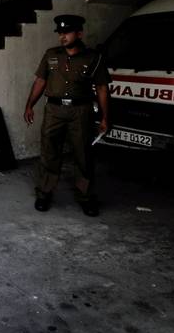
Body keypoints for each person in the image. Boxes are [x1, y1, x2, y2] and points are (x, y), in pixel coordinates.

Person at [23, 14, 110, 217]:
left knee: (83, 154)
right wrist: (29, 105)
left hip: (81, 111)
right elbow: (40, 82)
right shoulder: (51, 55)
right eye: (60, 33)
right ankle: (45, 193)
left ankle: (86, 196)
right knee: (49, 152)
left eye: (67, 33)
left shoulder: (93, 58)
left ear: (79, 33)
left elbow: (102, 89)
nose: (62, 37)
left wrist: (105, 117)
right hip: (54, 110)